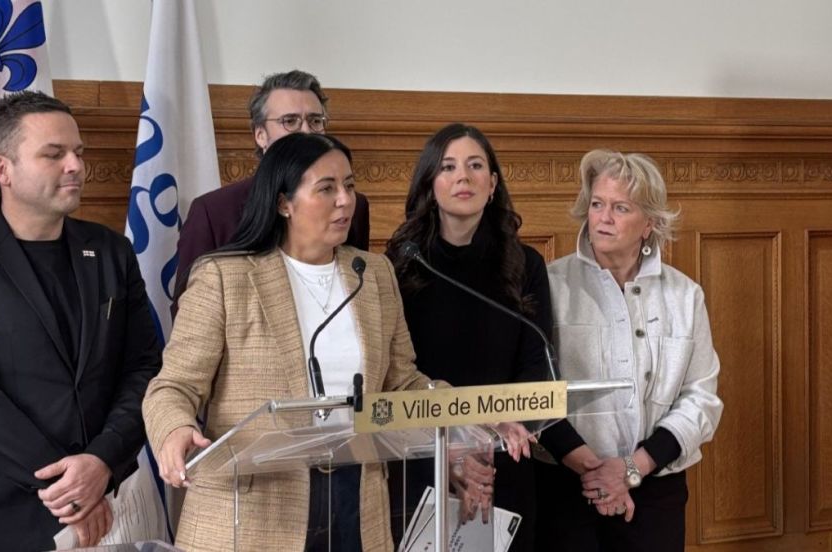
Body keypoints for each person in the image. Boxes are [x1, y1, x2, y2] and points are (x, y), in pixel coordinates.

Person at [143, 133, 436, 551]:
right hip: (252, 511)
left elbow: (403, 382)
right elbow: (174, 386)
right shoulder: (224, 277)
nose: (345, 200)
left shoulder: (372, 274)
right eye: (326, 188)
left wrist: (472, 412)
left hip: (357, 500)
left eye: (349, 186)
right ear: (284, 203)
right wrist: (175, 429)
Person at [0, 91, 161, 551]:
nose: (74, 165)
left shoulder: (112, 251)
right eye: (54, 154)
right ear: (2, 169)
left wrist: (101, 463)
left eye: (78, 152)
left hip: (110, 506)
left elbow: (144, 368)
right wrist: (73, 490)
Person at [384, 123, 582, 551]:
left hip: (504, 454)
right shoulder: (399, 265)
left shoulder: (524, 263)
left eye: (476, 166)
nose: (463, 177)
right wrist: (454, 439)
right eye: (448, 166)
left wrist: (511, 420)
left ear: (492, 184)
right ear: (429, 184)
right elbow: (395, 375)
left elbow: (536, 364)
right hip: (424, 458)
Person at [537, 149, 723, 551]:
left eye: (620, 208)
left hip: (656, 491)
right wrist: (597, 473)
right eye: (597, 204)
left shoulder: (684, 295)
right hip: (565, 487)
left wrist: (631, 470)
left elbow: (701, 400)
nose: (603, 217)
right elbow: (534, 390)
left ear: (650, 223)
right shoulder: (549, 285)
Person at [173, 69, 370, 313]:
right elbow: (190, 311)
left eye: (315, 121)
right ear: (260, 135)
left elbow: (357, 285)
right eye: (290, 121)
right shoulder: (213, 212)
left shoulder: (353, 205)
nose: (306, 132)